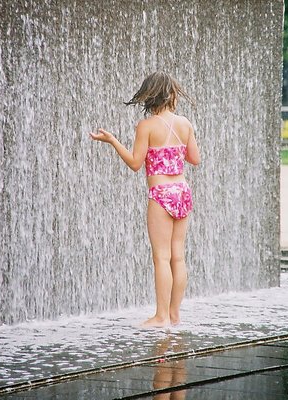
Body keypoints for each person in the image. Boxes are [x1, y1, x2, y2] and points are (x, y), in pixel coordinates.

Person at [89, 71, 200, 327]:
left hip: (161, 194)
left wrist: (112, 141)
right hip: (182, 191)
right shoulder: (185, 124)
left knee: (161, 257)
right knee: (178, 257)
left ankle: (160, 316)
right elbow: (195, 159)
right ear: (171, 93)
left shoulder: (147, 126)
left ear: (150, 95)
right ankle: (174, 315)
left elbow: (135, 163)